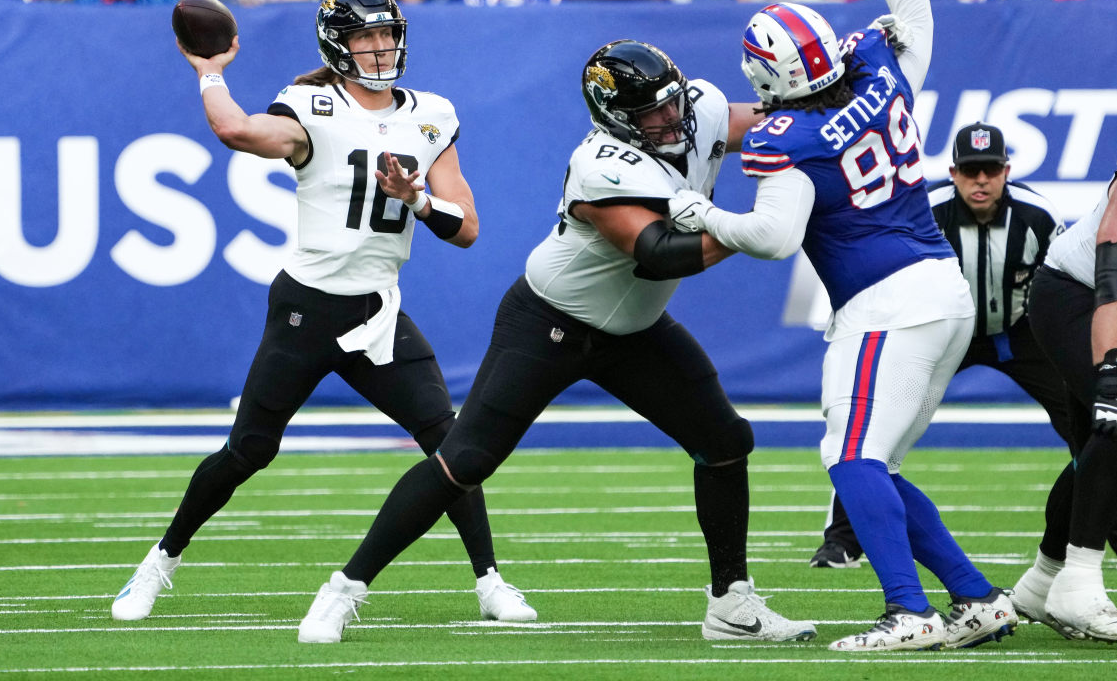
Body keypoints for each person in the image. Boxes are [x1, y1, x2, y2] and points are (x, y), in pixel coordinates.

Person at [294, 39, 820, 646]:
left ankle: (730, 603)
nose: (671, 120)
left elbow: (776, 121)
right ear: (617, 119)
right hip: (550, 321)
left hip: (635, 330)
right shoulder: (601, 164)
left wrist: (834, 106)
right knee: (464, 461)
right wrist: (758, 230)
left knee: (726, 441)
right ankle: (344, 589)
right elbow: (657, 255)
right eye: (651, 113)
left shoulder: (694, 107)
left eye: (672, 104)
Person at [666, 0, 1015, 651]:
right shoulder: (879, 70)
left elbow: (775, 238)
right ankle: (974, 598)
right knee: (876, 463)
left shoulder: (789, 137)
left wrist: (702, 210)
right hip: (941, 289)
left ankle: (908, 612)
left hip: (886, 304)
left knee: (849, 457)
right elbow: (916, 11)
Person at [109, 0, 536, 630]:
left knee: (450, 442)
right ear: (338, 44)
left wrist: (419, 200)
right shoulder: (311, 104)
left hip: (377, 312)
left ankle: (490, 581)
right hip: (307, 308)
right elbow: (236, 130)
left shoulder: (433, 113)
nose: (380, 47)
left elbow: (467, 225)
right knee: (248, 450)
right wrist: (209, 74)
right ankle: (159, 561)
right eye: (365, 36)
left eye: (387, 34)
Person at [809, 121, 1117, 572]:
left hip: (1021, 329)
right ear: (953, 173)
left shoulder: (1037, 215)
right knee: (877, 423)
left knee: (1097, 421)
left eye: (990, 170)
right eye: (971, 171)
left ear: (1006, 171)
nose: (980, 181)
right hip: (940, 329)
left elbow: (1066, 280)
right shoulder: (925, 210)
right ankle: (842, 541)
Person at [1006, 129, 1117, 643]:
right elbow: (1114, 280)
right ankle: (1077, 582)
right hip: (1075, 290)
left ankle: (1042, 581)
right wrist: (1112, 373)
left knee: (1096, 447)